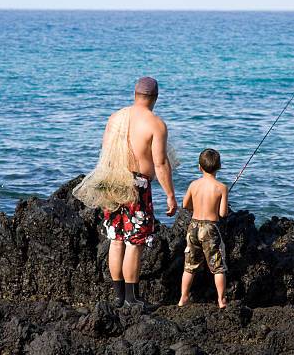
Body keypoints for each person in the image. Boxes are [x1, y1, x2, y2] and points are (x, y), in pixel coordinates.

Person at [73, 77, 177, 307]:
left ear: (135, 94)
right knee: (134, 242)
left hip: (111, 181)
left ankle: (118, 297)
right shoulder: (155, 124)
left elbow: (106, 150)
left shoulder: (115, 118)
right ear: (155, 98)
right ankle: (132, 298)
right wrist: (170, 194)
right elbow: (160, 163)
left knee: (116, 240)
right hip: (137, 186)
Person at [178, 148, 228, 308]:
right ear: (219, 167)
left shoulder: (194, 185)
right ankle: (221, 300)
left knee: (189, 266)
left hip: (193, 226)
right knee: (218, 267)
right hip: (210, 228)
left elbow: (185, 205)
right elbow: (223, 213)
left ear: (199, 167)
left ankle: (183, 298)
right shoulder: (221, 187)